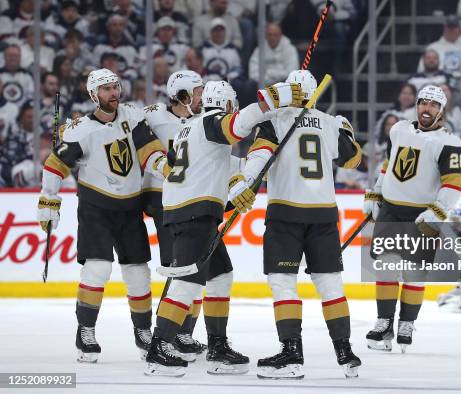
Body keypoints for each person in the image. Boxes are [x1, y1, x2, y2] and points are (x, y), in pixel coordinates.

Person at [145, 80, 306, 376]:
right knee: (189, 283)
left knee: (221, 275)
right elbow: (239, 124)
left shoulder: (192, 128)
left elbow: (225, 167)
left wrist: (244, 183)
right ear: (228, 104)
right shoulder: (211, 123)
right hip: (194, 212)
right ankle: (159, 347)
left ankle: (217, 346)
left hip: (191, 210)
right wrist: (272, 101)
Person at [231, 70, 362, 379]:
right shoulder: (331, 123)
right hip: (324, 215)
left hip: (286, 214)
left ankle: (291, 353)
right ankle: (345, 353)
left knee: (283, 283)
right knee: (330, 284)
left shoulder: (274, 120)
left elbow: (259, 158)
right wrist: (348, 133)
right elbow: (353, 160)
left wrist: (242, 182)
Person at [36, 69, 170, 363]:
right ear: (94, 95)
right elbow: (55, 165)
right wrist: (49, 200)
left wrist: (167, 169)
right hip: (96, 209)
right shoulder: (81, 129)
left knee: (138, 272)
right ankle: (85, 330)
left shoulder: (132, 116)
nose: (114, 93)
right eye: (106, 89)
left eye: (116, 87)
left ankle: (143, 331)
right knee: (97, 269)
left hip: (130, 208)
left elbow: (150, 149)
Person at [364, 85, 461, 352]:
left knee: (414, 271)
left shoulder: (449, 142)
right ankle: (384, 323)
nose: (426, 108)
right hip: (391, 210)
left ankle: (407, 323)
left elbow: (454, 184)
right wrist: (376, 192)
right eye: (423, 103)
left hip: (422, 215)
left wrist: (438, 211)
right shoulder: (399, 130)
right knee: (385, 267)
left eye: (433, 104)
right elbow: (388, 164)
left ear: (441, 110)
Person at [138, 71, 207, 362]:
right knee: (178, 264)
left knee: (196, 265)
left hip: (196, 198)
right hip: (163, 199)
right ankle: (166, 335)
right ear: (181, 96)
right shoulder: (152, 116)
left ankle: (182, 333)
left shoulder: (205, 118)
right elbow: (121, 129)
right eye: (198, 92)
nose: (203, 97)